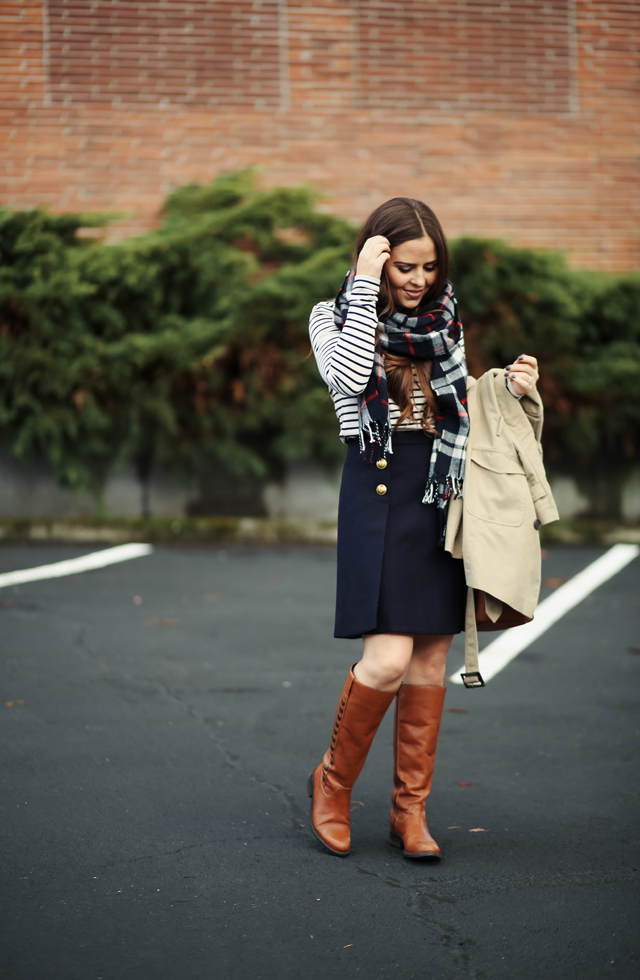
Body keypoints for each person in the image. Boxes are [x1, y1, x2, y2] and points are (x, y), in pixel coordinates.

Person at [307, 198, 540, 859]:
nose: (418, 280)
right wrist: (361, 284)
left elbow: (459, 399)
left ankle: (409, 814)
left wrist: (509, 387)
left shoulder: (446, 321)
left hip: (441, 494)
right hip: (378, 493)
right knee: (385, 660)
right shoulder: (332, 318)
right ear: (376, 260)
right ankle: (331, 783)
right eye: (405, 266)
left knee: (431, 661)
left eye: (430, 267)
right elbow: (350, 378)